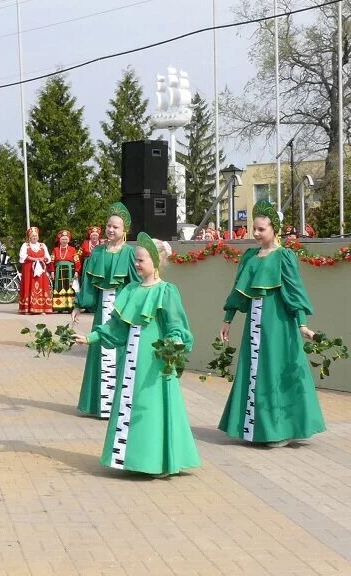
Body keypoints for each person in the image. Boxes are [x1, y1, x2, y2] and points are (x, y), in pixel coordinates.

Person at [74, 234, 201, 477]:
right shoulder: (131, 290)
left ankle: (156, 462)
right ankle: (132, 459)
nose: (136, 264)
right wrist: (90, 338)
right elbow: (116, 326)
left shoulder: (166, 291)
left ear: (155, 262)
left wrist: (173, 341)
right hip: (132, 360)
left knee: (151, 408)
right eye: (136, 260)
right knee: (130, 406)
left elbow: (177, 326)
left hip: (154, 361)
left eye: (141, 260)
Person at [218, 200, 326, 447]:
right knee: (255, 372)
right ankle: (256, 428)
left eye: (261, 229)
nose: (255, 233)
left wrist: (302, 325)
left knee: (276, 371)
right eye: (253, 228)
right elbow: (238, 292)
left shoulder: (284, 257)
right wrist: (228, 320)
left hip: (278, 325)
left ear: (274, 229)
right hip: (255, 325)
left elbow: (295, 293)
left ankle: (280, 429)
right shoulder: (250, 257)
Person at [72, 203, 141, 418]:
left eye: (116, 227)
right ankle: (100, 404)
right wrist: (79, 304)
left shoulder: (130, 254)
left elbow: (138, 284)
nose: (110, 230)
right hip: (103, 311)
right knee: (100, 347)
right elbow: (89, 282)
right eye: (108, 226)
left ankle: (120, 405)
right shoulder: (98, 252)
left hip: (123, 313)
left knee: (122, 353)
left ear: (124, 231)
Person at [18, 227, 52, 314]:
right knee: (28, 286)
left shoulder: (42, 245)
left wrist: (42, 259)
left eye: (36, 236)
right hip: (29, 269)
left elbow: (48, 257)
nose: (34, 237)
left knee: (41, 286)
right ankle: (27, 308)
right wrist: (34, 259)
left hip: (40, 269)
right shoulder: (25, 245)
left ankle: (41, 308)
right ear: (29, 237)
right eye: (33, 236)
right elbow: (22, 256)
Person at [50, 230, 80, 313]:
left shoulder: (73, 249)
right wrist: (52, 271)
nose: (64, 241)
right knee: (59, 288)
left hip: (69, 271)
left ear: (69, 240)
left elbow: (77, 261)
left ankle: (70, 307)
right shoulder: (55, 250)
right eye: (63, 239)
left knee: (69, 288)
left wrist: (77, 271)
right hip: (59, 272)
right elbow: (51, 262)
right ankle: (60, 307)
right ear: (60, 240)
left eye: (66, 239)